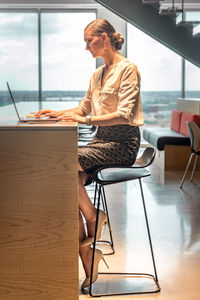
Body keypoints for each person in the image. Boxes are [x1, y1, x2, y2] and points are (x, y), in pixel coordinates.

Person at [35, 18, 143, 290]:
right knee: (64, 183)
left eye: (89, 41)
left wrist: (85, 120)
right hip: (99, 142)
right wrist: (57, 113)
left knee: (64, 165)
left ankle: (94, 217)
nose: (86, 47)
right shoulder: (97, 74)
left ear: (105, 38)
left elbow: (124, 115)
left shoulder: (127, 69)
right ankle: (88, 252)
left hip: (122, 144)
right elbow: (83, 109)